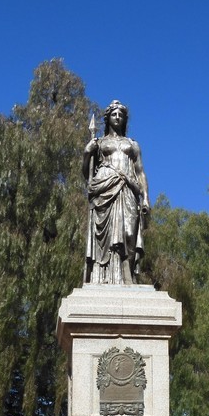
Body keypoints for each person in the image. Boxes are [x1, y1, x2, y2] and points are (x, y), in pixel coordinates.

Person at [83, 100, 150, 284]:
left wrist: (145, 198)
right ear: (108, 118)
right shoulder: (99, 143)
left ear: (125, 119)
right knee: (106, 238)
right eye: (114, 114)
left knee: (129, 233)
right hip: (105, 189)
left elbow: (140, 172)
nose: (118, 117)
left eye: (121, 115)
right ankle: (108, 276)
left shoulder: (132, 144)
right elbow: (86, 174)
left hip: (128, 188)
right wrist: (87, 153)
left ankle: (128, 272)